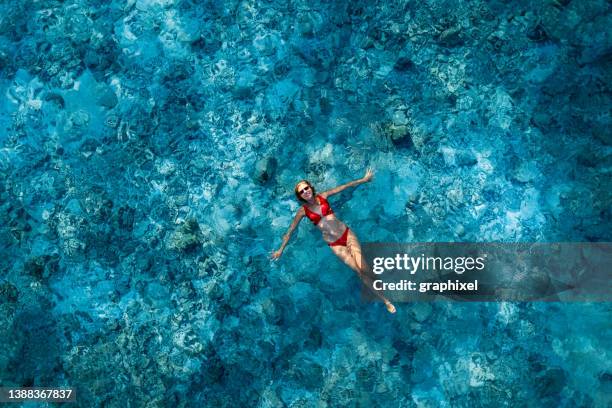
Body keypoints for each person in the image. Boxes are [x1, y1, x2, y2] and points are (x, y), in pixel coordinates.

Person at [270, 168, 396, 314]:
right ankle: (386, 300)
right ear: (300, 196)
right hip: (335, 245)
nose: (305, 191)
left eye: (306, 188)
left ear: (311, 187)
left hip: (346, 235)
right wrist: (281, 249)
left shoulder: (323, 196)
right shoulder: (302, 212)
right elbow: (290, 231)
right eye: (302, 191)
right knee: (359, 272)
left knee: (362, 266)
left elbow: (344, 187)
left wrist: (363, 179)